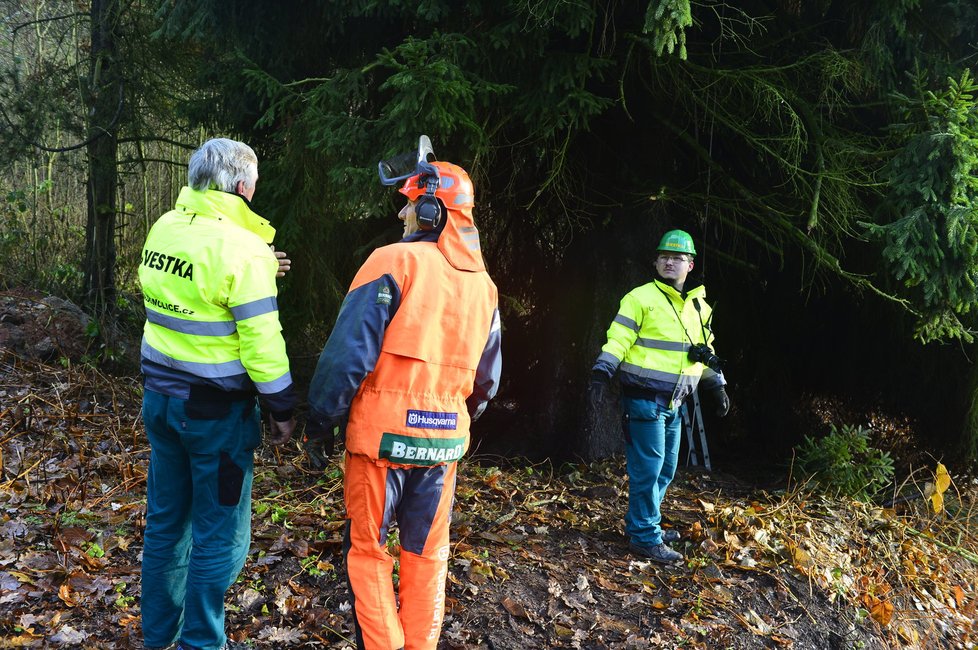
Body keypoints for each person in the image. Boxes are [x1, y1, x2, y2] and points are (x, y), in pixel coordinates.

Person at [304, 143, 501, 650]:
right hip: (442, 448)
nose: (402, 210)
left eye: (410, 201)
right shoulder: (485, 287)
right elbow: (487, 384)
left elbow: (347, 357)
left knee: (367, 551)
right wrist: (449, 415)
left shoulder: (390, 260)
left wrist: (320, 422)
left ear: (433, 210)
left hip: (380, 440)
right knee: (428, 555)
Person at [137, 137, 297, 650]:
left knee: (166, 525)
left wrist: (259, 265)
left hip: (159, 404)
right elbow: (263, 344)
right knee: (219, 536)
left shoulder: (165, 226)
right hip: (213, 418)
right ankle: (202, 644)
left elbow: (197, 289)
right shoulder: (243, 249)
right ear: (244, 185)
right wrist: (282, 409)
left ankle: (158, 638)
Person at [588, 229, 729, 564]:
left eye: (678, 258)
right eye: (665, 256)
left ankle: (643, 523)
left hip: (674, 404)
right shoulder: (640, 298)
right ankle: (644, 536)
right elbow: (619, 337)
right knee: (648, 470)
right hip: (644, 400)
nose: (670, 262)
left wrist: (717, 383)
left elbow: (704, 350)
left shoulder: (699, 307)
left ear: (690, 265)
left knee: (665, 470)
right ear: (655, 261)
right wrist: (602, 371)